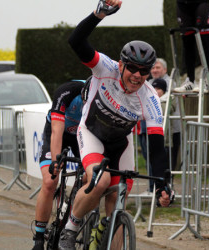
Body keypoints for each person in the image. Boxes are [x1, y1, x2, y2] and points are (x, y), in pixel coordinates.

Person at [59, 1, 172, 249]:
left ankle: (110, 237)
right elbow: (76, 42)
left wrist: (164, 182)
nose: (137, 75)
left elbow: (156, 145)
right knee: (100, 181)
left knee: (119, 198)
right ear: (121, 65)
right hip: (91, 133)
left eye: (143, 71)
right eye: (132, 67)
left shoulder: (150, 97)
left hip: (120, 142)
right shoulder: (105, 68)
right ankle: (71, 227)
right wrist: (98, 14)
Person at [32, 79, 89, 250]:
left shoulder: (103, 101)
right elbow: (56, 131)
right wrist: (56, 162)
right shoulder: (67, 92)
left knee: (90, 177)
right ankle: (39, 237)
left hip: (81, 136)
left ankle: (73, 211)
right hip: (59, 131)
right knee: (50, 181)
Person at [173, 0, 209, 94]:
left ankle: (205, 80)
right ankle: (190, 80)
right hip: (182, 3)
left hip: (202, 2)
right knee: (187, 40)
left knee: (204, 38)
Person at [151, 58, 182, 171]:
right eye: (153, 68)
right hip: (155, 126)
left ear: (165, 69)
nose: (155, 70)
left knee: (170, 157)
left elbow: (171, 104)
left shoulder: (171, 83)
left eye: (158, 67)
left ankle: (168, 183)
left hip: (172, 126)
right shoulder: (149, 83)